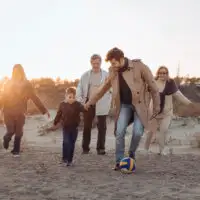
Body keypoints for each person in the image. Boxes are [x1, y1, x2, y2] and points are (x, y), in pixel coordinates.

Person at [85, 47, 160, 170]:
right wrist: (90, 102)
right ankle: (119, 161)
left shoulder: (139, 66)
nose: (113, 66)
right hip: (124, 106)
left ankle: (131, 154)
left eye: (114, 63)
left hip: (140, 106)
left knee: (137, 132)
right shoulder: (113, 71)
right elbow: (102, 89)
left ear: (121, 59)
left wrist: (156, 106)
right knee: (119, 132)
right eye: (111, 64)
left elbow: (153, 86)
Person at [0, 64, 50, 157]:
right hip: (8, 111)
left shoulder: (27, 85)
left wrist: (44, 110)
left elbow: (34, 98)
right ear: (13, 73)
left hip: (20, 112)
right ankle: (6, 139)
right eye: (15, 72)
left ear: (22, 72)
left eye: (18, 72)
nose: (17, 74)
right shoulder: (8, 83)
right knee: (10, 131)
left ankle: (16, 151)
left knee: (19, 132)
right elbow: (2, 98)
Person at [144, 66, 193, 155]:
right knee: (150, 132)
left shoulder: (170, 83)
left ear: (167, 74)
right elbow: (145, 94)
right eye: (160, 73)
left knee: (163, 130)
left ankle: (161, 150)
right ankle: (145, 149)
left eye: (164, 73)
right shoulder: (153, 83)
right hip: (153, 113)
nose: (162, 74)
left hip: (167, 112)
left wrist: (190, 104)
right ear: (158, 73)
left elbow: (179, 95)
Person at [76, 54, 112, 155]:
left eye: (98, 63)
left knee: (102, 126)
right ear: (91, 63)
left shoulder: (106, 75)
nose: (96, 65)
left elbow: (112, 88)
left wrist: (110, 95)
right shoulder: (85, 75)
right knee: (87, 126)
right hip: (88, 103)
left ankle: (100, 148)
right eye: (94, 63)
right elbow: (79, 88)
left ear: (101, 63)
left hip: (102, 102)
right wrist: (82, 101)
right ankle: (85, 148)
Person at [52, 87, 86, 166]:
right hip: (66, 127)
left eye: (74, 97)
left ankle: (69, 160)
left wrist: (86, 106)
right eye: (70, 97)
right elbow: (59, 114)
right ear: (66, 96)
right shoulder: (62, 104)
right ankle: (64, 159)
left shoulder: (77, 104)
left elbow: (83, 109)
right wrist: (55, 122)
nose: (72, 99)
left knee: (72, 144)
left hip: (75, 128)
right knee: (66, 142)